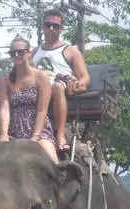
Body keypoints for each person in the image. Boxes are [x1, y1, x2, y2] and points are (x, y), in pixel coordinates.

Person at [0, 36, 62, 209]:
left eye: (20, 52)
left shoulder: (41, 76)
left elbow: (43, 109)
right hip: (15, 132)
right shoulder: (7, 80)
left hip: (39, 132)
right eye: (13, 52)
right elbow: (5, 108)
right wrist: (5, 134)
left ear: (28, 52)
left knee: (54, 168)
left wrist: (35, 136)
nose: (17, 56)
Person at [31, 8, 91, 156]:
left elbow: (85, 77)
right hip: (37, 90)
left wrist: (78, 84)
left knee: (57, 87)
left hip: (60, 85)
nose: (51, 28)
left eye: (55, 26)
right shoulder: (33, 52)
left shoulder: (70, 50)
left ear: (61, 28)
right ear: (42, 26)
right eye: (48, 24)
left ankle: (60, 135)